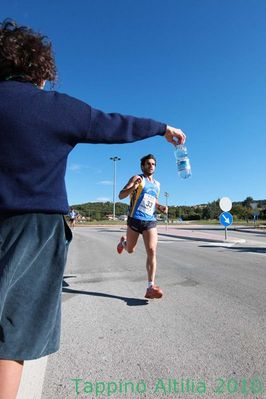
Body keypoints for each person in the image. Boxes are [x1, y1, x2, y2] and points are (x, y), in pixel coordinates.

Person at [0, 18, 186, 399]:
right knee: (11, 336)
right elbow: (114, 124)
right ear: (42, 74)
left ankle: (144, 270)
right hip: (32, 231)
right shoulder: (55, 108)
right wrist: (161, 127)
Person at [117, 154, 168, 299]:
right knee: (130, 250)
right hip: (134, 219)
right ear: (142, 166)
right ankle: (123, 243)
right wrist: (133, 186)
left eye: (153, 164)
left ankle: (150, 286)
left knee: (152, 250)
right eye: (148, 164)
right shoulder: (137, 178)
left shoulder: (157, 185)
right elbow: (121, 195)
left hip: (150, 221)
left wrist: (160, 207)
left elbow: (154, 201)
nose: (151, 166)